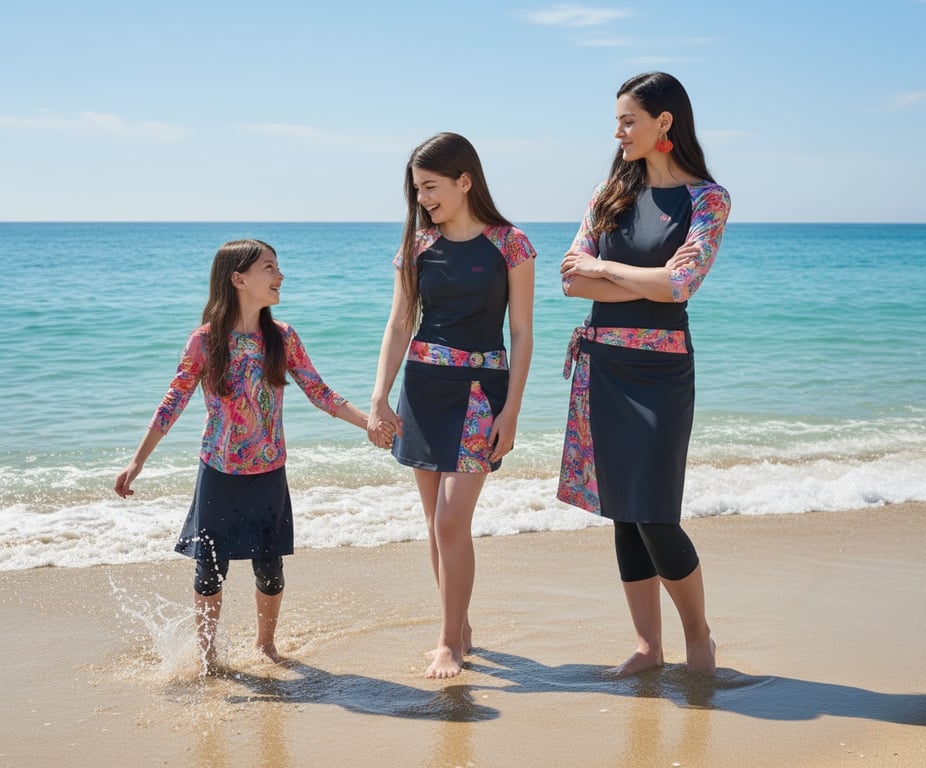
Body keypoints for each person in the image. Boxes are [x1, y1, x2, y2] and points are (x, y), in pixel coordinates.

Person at [114, 239, 377, 672]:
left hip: (268, 471)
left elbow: (319, 392)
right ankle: (207, 656)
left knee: (270, 569)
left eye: (277, 267)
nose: (280, 276)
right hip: (218, 471)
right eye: (269, 267)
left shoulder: (282, 337)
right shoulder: (205, 341)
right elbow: (173, 402)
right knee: (209, 570)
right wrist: (138, 460)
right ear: (238, 279)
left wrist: (369, 422)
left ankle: (265, 645)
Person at [558, 72, 731, 676]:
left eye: (628, 120)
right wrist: (642, 280)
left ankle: (699, 638)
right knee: (624, 512)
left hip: (661, 371)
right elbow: (570, 280)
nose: (619, 132)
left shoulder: (708, 200)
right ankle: (647, 647)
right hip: (603, 365)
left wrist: (606, 269)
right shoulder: (609, 193)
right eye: (617, 121)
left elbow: (682, 284)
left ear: (665, 122)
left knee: (656, 513)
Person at [368, 132, 535, 679]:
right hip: (423, 388)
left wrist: (511, 411)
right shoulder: (417, 246)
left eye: (431, 187)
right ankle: (457, 629)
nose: (423, 199)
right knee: (434, 522)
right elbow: (400, 323)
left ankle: (448, 643)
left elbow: (522, 332)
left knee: (450, 520)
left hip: (481, 392)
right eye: (417, 190)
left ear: (465, 181)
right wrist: (379, 395)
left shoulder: (510, 243)